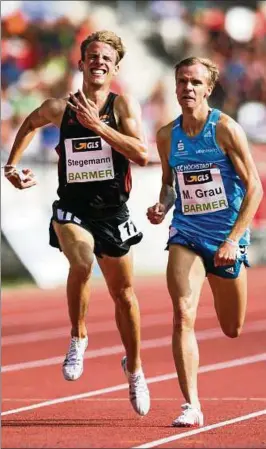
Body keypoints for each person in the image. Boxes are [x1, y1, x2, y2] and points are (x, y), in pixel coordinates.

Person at [4, 30, 150, 417]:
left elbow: (142, 153)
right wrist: (12, 166)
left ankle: (134, 368)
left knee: (125, 296)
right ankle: (78, 336)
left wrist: (100, 127)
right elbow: (31, 123)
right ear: (82, 63)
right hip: (71, 207)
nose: (99, 62)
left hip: (113, 212)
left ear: (115, 67)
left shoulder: (123, 106)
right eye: (93, 56)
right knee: (81, 263)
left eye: (106, 58)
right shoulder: (60, 107)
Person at [147, 56, 263, 427]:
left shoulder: (226, 129)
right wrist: (162, 206)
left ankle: (227, 265)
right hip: (187, 233)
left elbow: (255, 189)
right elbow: (169, 183)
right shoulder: (167, 135)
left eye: (195, 82)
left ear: (208, 88)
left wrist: (232, 240)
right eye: (182, 81)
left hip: (226, 239)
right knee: (182, 313)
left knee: (233, 328)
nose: (188, 89)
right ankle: (191, 405)